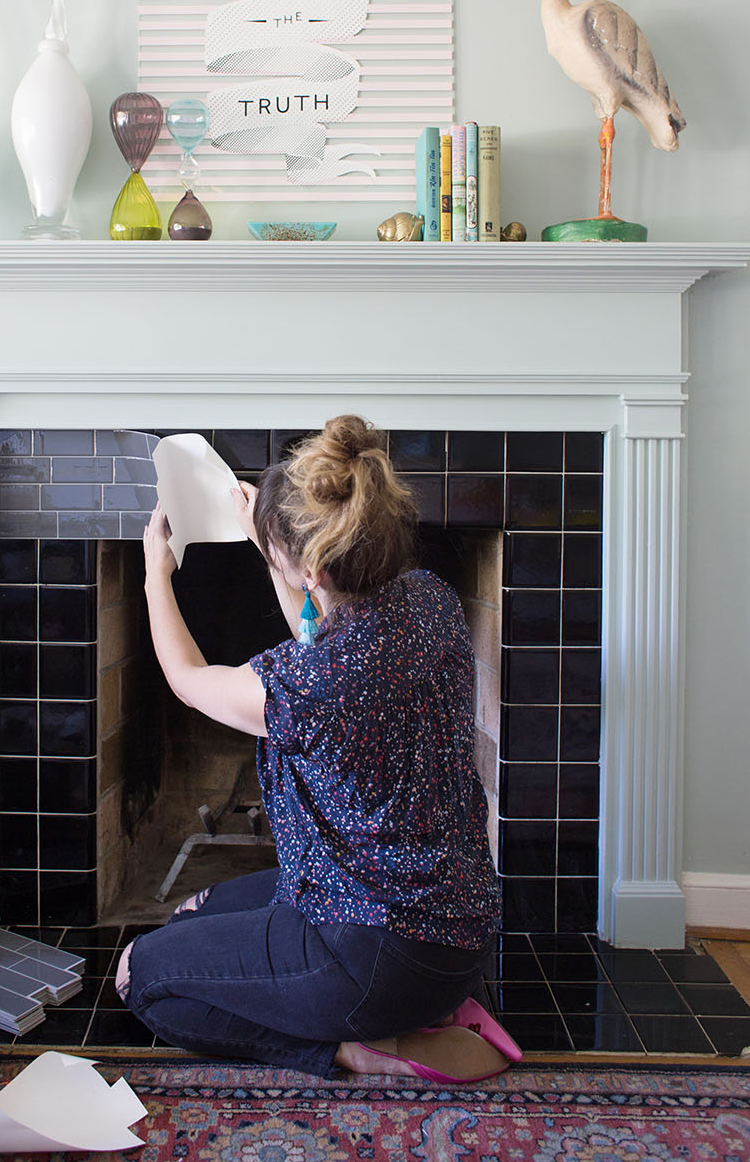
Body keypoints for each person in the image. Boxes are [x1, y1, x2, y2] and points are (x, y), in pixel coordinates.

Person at [114, 414, 521, 1081]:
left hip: (371, 953)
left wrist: (156, 572)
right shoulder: (429, 600)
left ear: (311, 567)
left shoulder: (306, 687)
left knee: (143, 976)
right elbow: (323, 636)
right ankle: (430, 1009)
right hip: (451, 929)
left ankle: (357, 1050)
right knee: (191, 913)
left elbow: (188, 684)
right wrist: (268, 545)